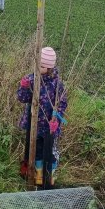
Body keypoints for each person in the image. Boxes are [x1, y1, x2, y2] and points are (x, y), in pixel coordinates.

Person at [17, 47, 67, 189]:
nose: (39, 67)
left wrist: (56, 120)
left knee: (49, 153)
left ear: (50, 67)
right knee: (34, 150)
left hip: (48, 127)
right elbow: (22, 98)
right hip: (33, 123)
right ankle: (33, 176)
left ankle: (47, 179)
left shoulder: (57, 84)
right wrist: (24, 87)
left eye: (43, 66)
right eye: (37, 64)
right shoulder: (32, 79)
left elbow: (62, 104)